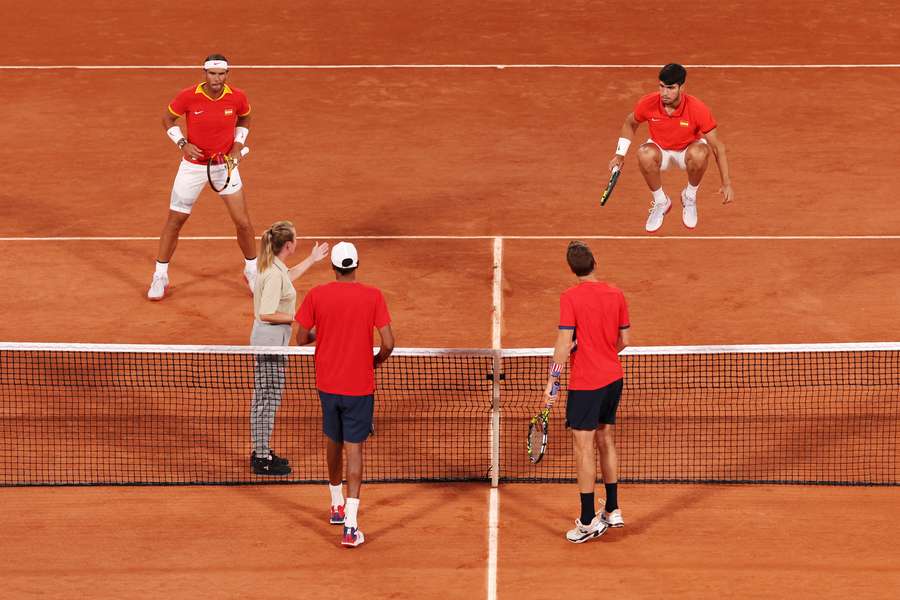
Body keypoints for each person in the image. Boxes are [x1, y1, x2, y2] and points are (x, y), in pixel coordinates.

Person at [295, 242, 394, 548]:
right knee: (354, 452)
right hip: (359, 387)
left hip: (327, 385)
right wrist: (373, 361)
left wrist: (322, 332)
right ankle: (350, 527)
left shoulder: (317, 295)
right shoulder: (373, 295)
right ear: (357, 264)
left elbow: (300, 338)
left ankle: (336, 504)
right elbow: (388, 343)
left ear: (333, 267)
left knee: (331, 441)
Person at [147, 53, 257, 300]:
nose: (216, 79)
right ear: (204, 73)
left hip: (225, 166)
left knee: (243, 222)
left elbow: (246, 117)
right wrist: (182, 143)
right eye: (212, 73)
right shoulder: (188, 96)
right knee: (175, 221)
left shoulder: (238, 97)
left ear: (227, 74)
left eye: (221, 74)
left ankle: (252, 271)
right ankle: (160, 275)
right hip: (192, 167)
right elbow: (167, 119)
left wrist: (239, 144)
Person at [542, 241, 630, 544]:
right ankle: (613, 509)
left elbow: (564, 344)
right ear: (596, 262)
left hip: (586, 384)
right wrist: (604, 352)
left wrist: (552, 384)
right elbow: (625, 340)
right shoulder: (616, 293)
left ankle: (589, 520)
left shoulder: (570, 297)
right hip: (613, 378)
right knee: (606, 440)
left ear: (571, 269)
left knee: (583, 448)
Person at [609, 63, 734, 233]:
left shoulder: (697, 109)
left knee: (700, 153)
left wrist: (726, 183)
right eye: (661, 87)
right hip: (660, 151)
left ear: (682, 87)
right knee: (644, 154)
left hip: (687, 151)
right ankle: (661, 201)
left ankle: (689, 196)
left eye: (670, 88)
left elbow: (718, 147)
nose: (664, 93)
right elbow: (630, 123)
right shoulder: (649, 103)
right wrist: (620, 155)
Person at [249, 221, 329, 475]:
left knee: (265, 397)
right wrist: (296, 317)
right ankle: (261, 457)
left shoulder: (274, 265)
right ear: (288, 245)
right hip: (270, 344)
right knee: (267, 399)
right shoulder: (273, 273)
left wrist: (311, 260)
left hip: (269, 340)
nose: (298, 241)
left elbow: (289, 276)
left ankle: (261, 450)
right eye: (296, 238)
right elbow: (267, 313)